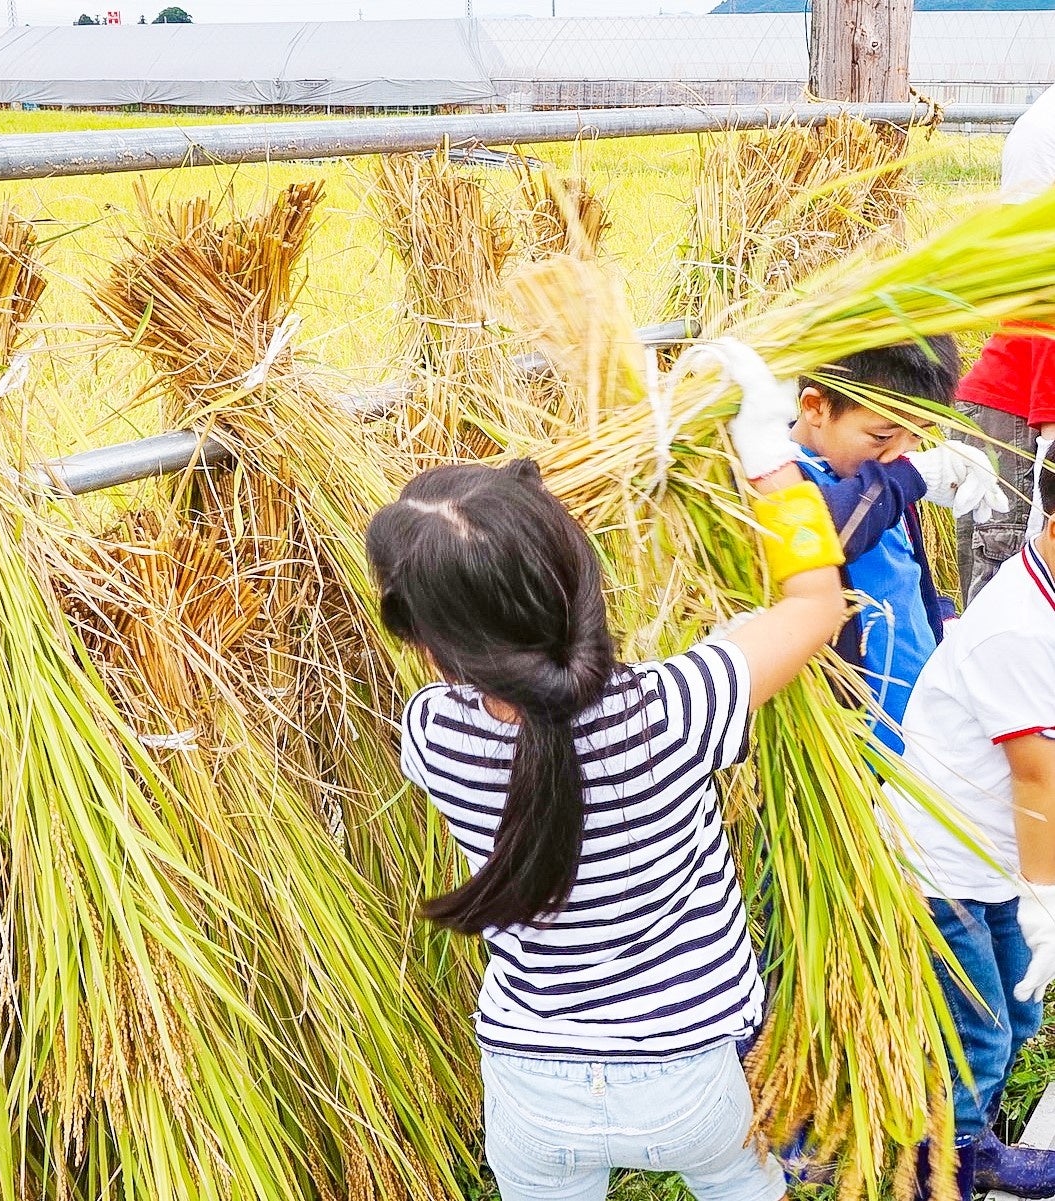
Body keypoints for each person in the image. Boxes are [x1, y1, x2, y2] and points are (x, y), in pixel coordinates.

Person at [367, 342, 845, 1201]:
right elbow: (813, 600)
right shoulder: (677, 707)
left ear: (428, 647)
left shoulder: (430, 732)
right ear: (586, 581)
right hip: (689, 1076)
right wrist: (769, 453)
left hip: (529, 1083)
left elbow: (495, 685)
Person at [889, 458, 1055, 1201]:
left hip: (1000, 851)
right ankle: (946, 1164)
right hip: (944, 861)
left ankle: (969, 1136)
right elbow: (1036, 775)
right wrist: (1045, 896)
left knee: (1016, 1016)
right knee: (980, 1037)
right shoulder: (1012, 630)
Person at [788, 339, 1006, 755]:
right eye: (882, 435)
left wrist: (942, 622)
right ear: (814, 407)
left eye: (918, 436)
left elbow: (902, 573)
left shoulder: (875, 480)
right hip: (857, 743)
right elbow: (827, 534)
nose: (899, 454)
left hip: (920, 724)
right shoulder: (779, 476)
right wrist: (910, 477)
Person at [957, 83, 1055, 602]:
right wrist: (1048, 428)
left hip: (1025, 399)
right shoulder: (1044, 135)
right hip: (1020, 406)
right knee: (1008, 584)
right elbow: (1037, 284)